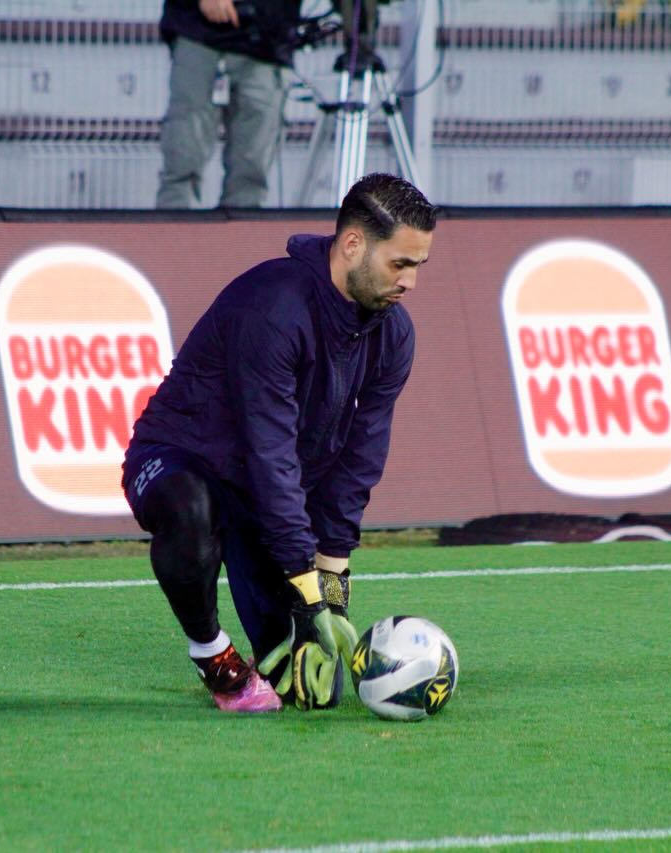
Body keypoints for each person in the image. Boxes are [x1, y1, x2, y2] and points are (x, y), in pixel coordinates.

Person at [123, 173, 438, 712]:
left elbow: (359, 460)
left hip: (266, 491)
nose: (410, 282)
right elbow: (268, 449)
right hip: (181, 458)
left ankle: (273, 645)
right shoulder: (273, 307)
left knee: (311, 693)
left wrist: (330, 593)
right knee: (190, 508)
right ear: (353, 244)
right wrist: (302, 582)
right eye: (400, 264)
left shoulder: (394, 334)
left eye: (418, 266)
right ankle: (213, 657)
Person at [155, 0, 303, 209]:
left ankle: (243, 228)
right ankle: (174, 227)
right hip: (199, 31)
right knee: (184, 155)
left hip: (269, 40)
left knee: (251, 172)